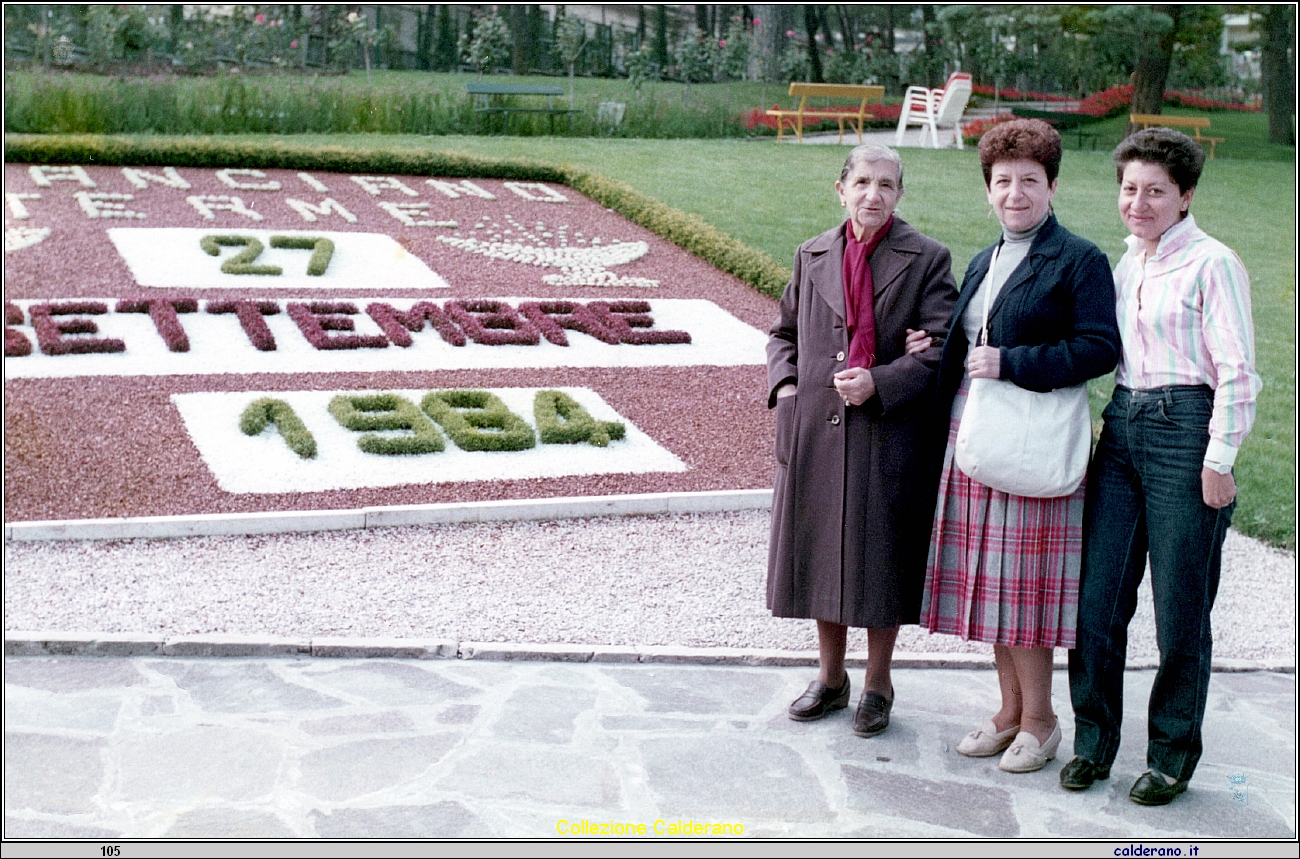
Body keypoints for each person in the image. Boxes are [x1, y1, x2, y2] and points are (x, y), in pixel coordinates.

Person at [1062, 128, 1261, 805]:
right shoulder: (1126, 264)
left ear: (1186, 195)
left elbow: (1237, 371)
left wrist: (1219, 458)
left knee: (1180, 610)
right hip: (1122, 426)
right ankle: (1093, 742)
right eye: (1129, 189)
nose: (1138, 203)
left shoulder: (1213, 263)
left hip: (1186, 431)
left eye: (1155, 191)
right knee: (1096, 602)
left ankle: (1171, 757)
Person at [917, 119, 1120, 773]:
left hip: (1032, 443)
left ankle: (1041, 721)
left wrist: (1010, 363)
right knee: (989, 585)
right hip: (975, 434)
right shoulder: (986, 258)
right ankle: (1009, 711)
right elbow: (973, 337)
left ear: (1053, 186)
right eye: (1002, 181)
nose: (1015, 193)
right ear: (988, 189)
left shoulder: (1079, 259)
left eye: (1030, 180)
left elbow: (1100, 349)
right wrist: (937, 346)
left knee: (1023, 590)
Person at [766, 143, 957, 738]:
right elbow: (783, 334)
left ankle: (878, 684)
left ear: (899, 194)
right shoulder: (811, 253)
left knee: (880, 558)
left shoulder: (927, 258)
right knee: (821, 551)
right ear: (841, 189)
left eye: (886, 185)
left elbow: (944, 348)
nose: (873, 194)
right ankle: (830, 678)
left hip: (888, 430)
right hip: (817, 429)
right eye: (863, 182)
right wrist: (788, 388)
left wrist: (881, 381)